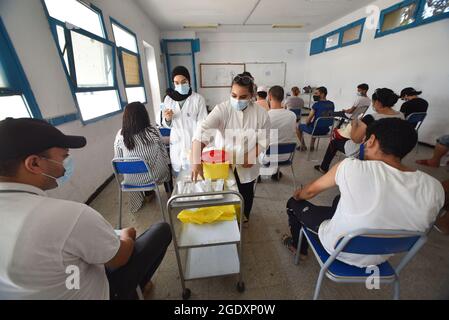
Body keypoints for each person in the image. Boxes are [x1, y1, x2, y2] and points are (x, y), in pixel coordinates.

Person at [0, 118, 172, 299]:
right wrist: (126, 235)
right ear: (34, 163)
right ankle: (135, 287)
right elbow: (119, 258)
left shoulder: (120, 136)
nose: (66, 166)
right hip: (95, 291)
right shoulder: (68, 215)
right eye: (64, 157)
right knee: (161, 230)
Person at [283, 118, 445, 267]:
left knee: (293, 203)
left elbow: (309, 192)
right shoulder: (434, 187)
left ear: (372, 140)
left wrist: (298, 194)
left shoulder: (351, 167)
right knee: (340, 198)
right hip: (381, 255)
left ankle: (299, 249)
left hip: (338, 247)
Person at [191, 74, 270, 226]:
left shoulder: (261, 114)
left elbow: (265, 139)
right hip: (223, 164)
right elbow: (202, 132)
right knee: (225, 194)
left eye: (243, 96)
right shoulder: (222, 109)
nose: (237, 100)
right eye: (234, 95)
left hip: (247, 165)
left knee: (246, 193)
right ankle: (227, 221)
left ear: (252, 95)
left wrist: (252, 155)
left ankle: (244, 218)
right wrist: (195, 161)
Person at [314, 88, 405, 174]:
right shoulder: (401, 115)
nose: (373, 105)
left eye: (373, 102)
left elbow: (356, 139)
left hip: (369, 151)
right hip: (390, 152)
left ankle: (324, 167)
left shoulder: (372, 118)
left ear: (377, 102)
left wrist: (354, 125)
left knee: (334, 142)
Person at [114, 102, 172, 213]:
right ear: (144, 115)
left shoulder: (120, 135)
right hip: (154, 176)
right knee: (165, 164)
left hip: (131, 180)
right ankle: (170, 193)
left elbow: (118, 158)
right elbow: (163, 150)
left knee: (142, 166)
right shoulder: (152, 131)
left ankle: (148, 195)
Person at [162, 66, 207, 173]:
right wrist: (168, 119)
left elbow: (203, 124)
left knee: (195, 179)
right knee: (179, 180)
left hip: (193, 144)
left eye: (184, 81)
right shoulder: (168, 99)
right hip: (176, 146)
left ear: (189, 81)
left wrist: (197, 145)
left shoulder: (198, 99)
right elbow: (165, 123)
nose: (180, 85)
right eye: (176, 83)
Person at [261, 86, 297, 180]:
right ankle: (276, 173)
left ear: (269, 97)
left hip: (268, 158)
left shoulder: (266, 116)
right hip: (287, 156)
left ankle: (257, 177)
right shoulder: (292, 115)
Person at [296, 86, 335, 151]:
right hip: (326, 130)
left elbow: (308, 120)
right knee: (316, 124)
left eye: (316, 93)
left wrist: (307, 122)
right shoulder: (331, 104)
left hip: (316, 130)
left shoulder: (316, 105)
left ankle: (303, 146)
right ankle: (312, 146)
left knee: (298, 127)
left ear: (322, 94)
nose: (314, 95)